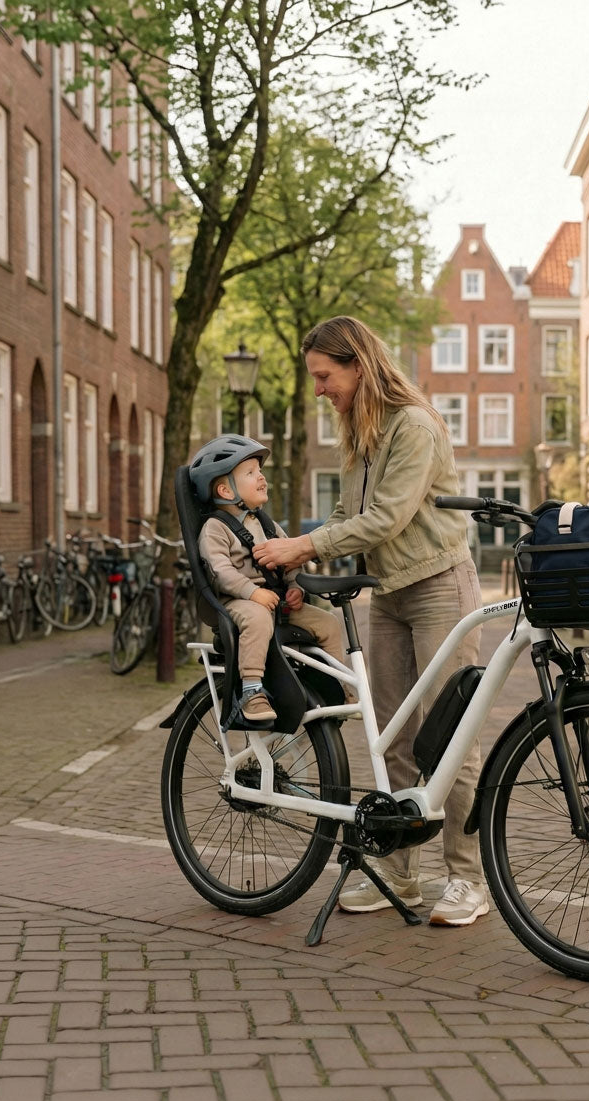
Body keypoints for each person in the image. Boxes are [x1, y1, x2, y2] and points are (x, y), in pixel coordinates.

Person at [252, 315, 487, 928]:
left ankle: (467, 880)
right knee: (394, 735)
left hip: (438, 584)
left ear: (357, 363)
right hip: (387, 593)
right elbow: (345, 510)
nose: (319, 389)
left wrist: (304, 547)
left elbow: (386, 518)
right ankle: (402, 875)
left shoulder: (414, 425)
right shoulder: (357, 428)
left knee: (451, 736)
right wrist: (306, 571)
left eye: (326, 376)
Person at [190, 434, 348, 725]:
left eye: (260, 471)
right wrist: (252, 593)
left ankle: (335, 687)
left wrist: (295, 587)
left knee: (328, 623)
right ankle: (251, 691)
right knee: (257, 617)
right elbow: (220, 571)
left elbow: (288, 561)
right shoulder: (215, 528)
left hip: (274, 600)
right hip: (235, 601)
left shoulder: (266, 523)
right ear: (225, 490)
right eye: (250, 473)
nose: (261, 477)